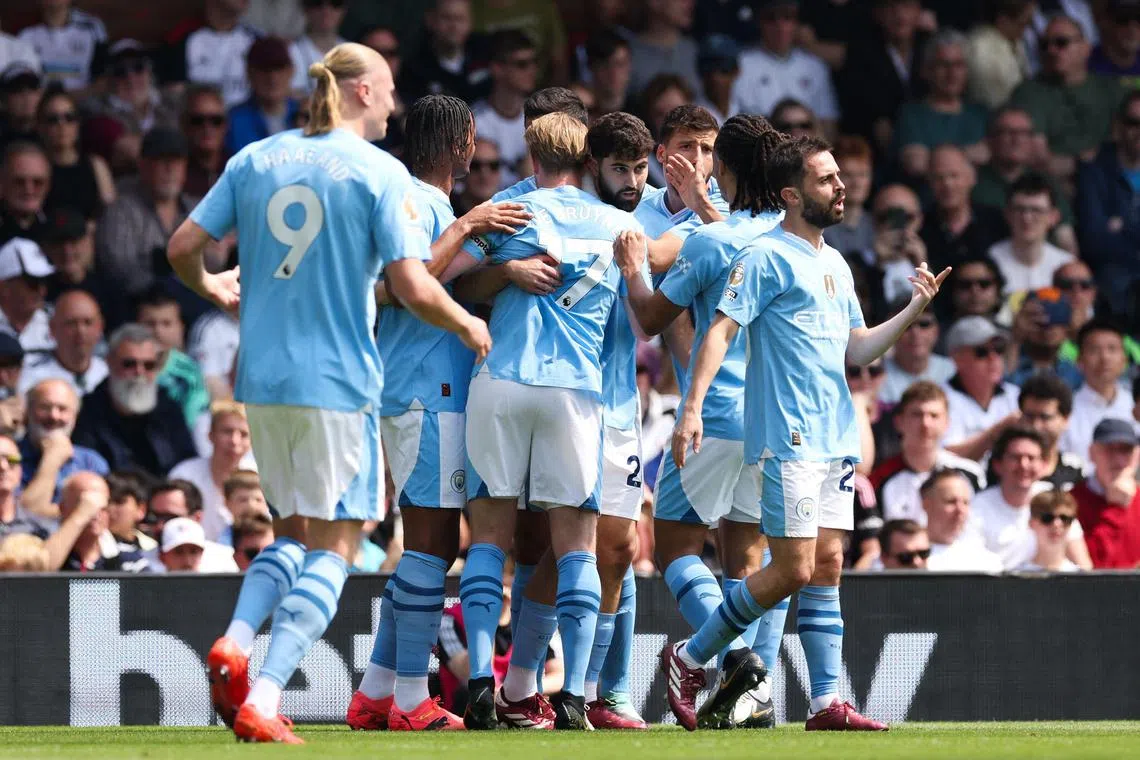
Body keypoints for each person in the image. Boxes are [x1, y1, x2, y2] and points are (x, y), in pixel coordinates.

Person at [167, 43, 489, 744]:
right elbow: (407, 284)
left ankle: (236, 639)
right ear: (365, 92)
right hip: (338, 381)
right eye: (392, 90)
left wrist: (213, 286)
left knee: (291, 533)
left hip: (262, 380)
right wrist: (465, 320)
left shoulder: (255, 157)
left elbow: (182, 245)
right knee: (338, 548)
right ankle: (265, 695)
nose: (397, 106)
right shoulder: (379, 173)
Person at [663, 135, 947, 731]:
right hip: (786, 436)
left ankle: (824, 703)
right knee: (790, 569)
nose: (841, 186)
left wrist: (915, 308)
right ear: (793, 194)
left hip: (835, 436)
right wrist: (691, 406)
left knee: (828, 567)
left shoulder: (835, 261)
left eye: (839, 176)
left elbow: (859, 346)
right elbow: (719, 331)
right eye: (826, 179)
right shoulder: (765, 256)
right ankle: (688, 658)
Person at [438, 112, 639, 731]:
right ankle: (575, 692)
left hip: (497, 381)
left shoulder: (509, 211)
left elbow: (437, 277)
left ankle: (478, 684)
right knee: (576, 546)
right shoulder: (618, 225)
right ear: (585, 158)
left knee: (490, 539)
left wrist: (500, 274)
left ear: (532, 154)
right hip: (573, 394)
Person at [349, 94, 529, 732]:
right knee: (431, 542)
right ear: (463, 143)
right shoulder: (421, 202)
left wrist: (492, 254)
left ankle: (373, 692)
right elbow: (409, 284)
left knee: (432, 541)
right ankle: (407, 700)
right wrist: (470, 225)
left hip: (415, 388)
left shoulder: (409, 198)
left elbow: (414, 280)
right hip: (428, 392)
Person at [616, 115, 785, 730]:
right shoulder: (787, 235)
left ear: (725, 166)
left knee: (675, 547)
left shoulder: (707, 237)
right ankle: (755, 700)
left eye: (709, 151)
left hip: (714, 410)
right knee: (747, 561)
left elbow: (651, 314)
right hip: (774, 418)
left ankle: (740, 662)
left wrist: (634, 262)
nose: (697, 160)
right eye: (686, 148)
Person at [1009, 15, 1123, 187]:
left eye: (1061, 43)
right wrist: (1086, 162)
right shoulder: (1028, 93)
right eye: (1044, 45)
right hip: (1054, 187)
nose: (1052, 50)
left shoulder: (1111, 89)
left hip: (1111, 185)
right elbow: (1039, 160)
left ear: (1086, 48)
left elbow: (1124, 148)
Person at [72, 323, 196, 477]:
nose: (139, 372)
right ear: (109, 362)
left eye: (149, 365)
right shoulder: (88, 412)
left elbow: (187, 464)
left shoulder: (169, 408)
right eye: (129, 364)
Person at [972, 426, 1091, 570]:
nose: (1024, 465)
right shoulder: (977, 506)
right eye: (1016, 457)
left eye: (1031, 458)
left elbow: (1082, 564)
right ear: (998, 464)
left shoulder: (1054, 499)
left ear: (1044, 465)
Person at [870, 381, 984, 525]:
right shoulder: (879, 479)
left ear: (947, 423)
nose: (925, 424)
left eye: (934, 415)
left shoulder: (971, 474)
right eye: (917, 414)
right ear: (899, 422)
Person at [1076, 91, 1140, 319]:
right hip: (1113, 280)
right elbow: (1094, 241)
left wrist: (1123, 226)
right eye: (1134, 123)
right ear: (1119, 126)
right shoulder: (1094, 172)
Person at [732, 0, 837, 137]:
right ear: (759, 22)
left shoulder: (815, 67)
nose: (780, 26)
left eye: (787, 17)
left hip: (807, 147)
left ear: (797, 23)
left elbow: (829, 123)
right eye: (771, 18)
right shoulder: (742, 64)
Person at [895, 29, 989, 180]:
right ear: (927, 70)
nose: (952, 73)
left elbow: (988, 156)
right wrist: (966, 155)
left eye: (958, 65)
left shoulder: (980, 114)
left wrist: (933, 157)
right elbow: (917, 165)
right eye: (943, 65)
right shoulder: (912, 115)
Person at [168, 401, 256, 543]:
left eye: (244, 434)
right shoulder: (184, 475)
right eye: (227, 431)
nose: (234, 441)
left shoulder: (261, 477)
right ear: (210, 435)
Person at [19, 377, 109, 509]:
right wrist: (51, 460)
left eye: (62, 409)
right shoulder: (8, 457)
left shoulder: (91, 462)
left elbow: (103, 512)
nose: (54, 416)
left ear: (75, 416)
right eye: (45, 407)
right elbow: (19, 515)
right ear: (28, 412)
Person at [941, 316, 1021, 462]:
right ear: (957, 358)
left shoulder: (1015, 395)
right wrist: (997, 431)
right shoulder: (941, 399)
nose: (993, 358)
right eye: (982, 352)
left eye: (998, 349)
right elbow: (946, 457)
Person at [1071, 418, 1140, 569]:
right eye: (1109, 449)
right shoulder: (1070, 502)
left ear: (1137, 455)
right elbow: (1090, 567)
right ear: (1091, 453)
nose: (1118, 459)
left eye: (1125, 449)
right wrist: (1117, 509)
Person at [472, 30, 539, 186]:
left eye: (534, 62)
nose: (532, 70)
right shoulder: (473, 122)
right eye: (522, 64)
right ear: (497, 69)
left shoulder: (540, 118)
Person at [35, 90, 114, 220]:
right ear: (40, 126)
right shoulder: (33, 168)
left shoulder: (96, 165)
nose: (62, 125)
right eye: (53, 120)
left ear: (78, 124)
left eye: (69, 117)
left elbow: (110, 215)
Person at [1060, 320, 1133, 460]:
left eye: (1112, 349)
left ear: (1124, 360)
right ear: (1079, 360)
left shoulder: (1135, 407)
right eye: (1094, 350)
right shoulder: (1065, 411)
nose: (1105, 357)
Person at [18, 289, 106, 397]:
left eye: (88, 323)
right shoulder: (28, 377)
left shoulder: (110, 373)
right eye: (71, 323)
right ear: (52, 328)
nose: (80, 331)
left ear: (100, 327)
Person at [225, 37, 301, 154]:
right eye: (264, 70)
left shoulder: (307, 116)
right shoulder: (232, 121)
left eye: (279, 68)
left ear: (291, 71)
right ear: (249, 73)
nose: (272, 78)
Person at [921, 468, 1003, 572]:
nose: (960, 510)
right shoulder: (908, 558)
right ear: (926, 505)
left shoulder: (986, 563)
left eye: (965, 502)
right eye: (951, 501)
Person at [16, 0, 106, 92]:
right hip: (40, 101)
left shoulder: (91, 31)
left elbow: (102, 77)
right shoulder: (26, 36)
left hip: (83, 98)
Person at [1018, 372, 1085, 490]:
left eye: (1045, 417)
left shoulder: (1076, 469)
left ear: (1065, 419)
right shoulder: (1005, 466)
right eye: (1029, 416)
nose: (1036, 426)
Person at [965, 0, 1034, 110]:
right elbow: (991, 100)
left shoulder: (1015, 42)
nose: (1025, 31)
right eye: (1023, 24)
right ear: (1003, 20)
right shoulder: (980, 49)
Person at [0, 236, 55, 354]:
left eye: (43, 281)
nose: (41, 291)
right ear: (4, 287)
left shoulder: (57, 324)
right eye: (32, 283)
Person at [288, 0, 346, 95]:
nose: (326, 10)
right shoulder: (291, 50)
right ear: (305, 9)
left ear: (344, 10)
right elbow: (293, 95)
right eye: (317, 3)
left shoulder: (352, 50)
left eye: (335, 4)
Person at [1017, 489, 1082, 572]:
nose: (1057, 524)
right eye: (1047, 518)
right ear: (1031, 523)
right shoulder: (1015, 578)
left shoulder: (1082, 578)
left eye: (1064, 518)